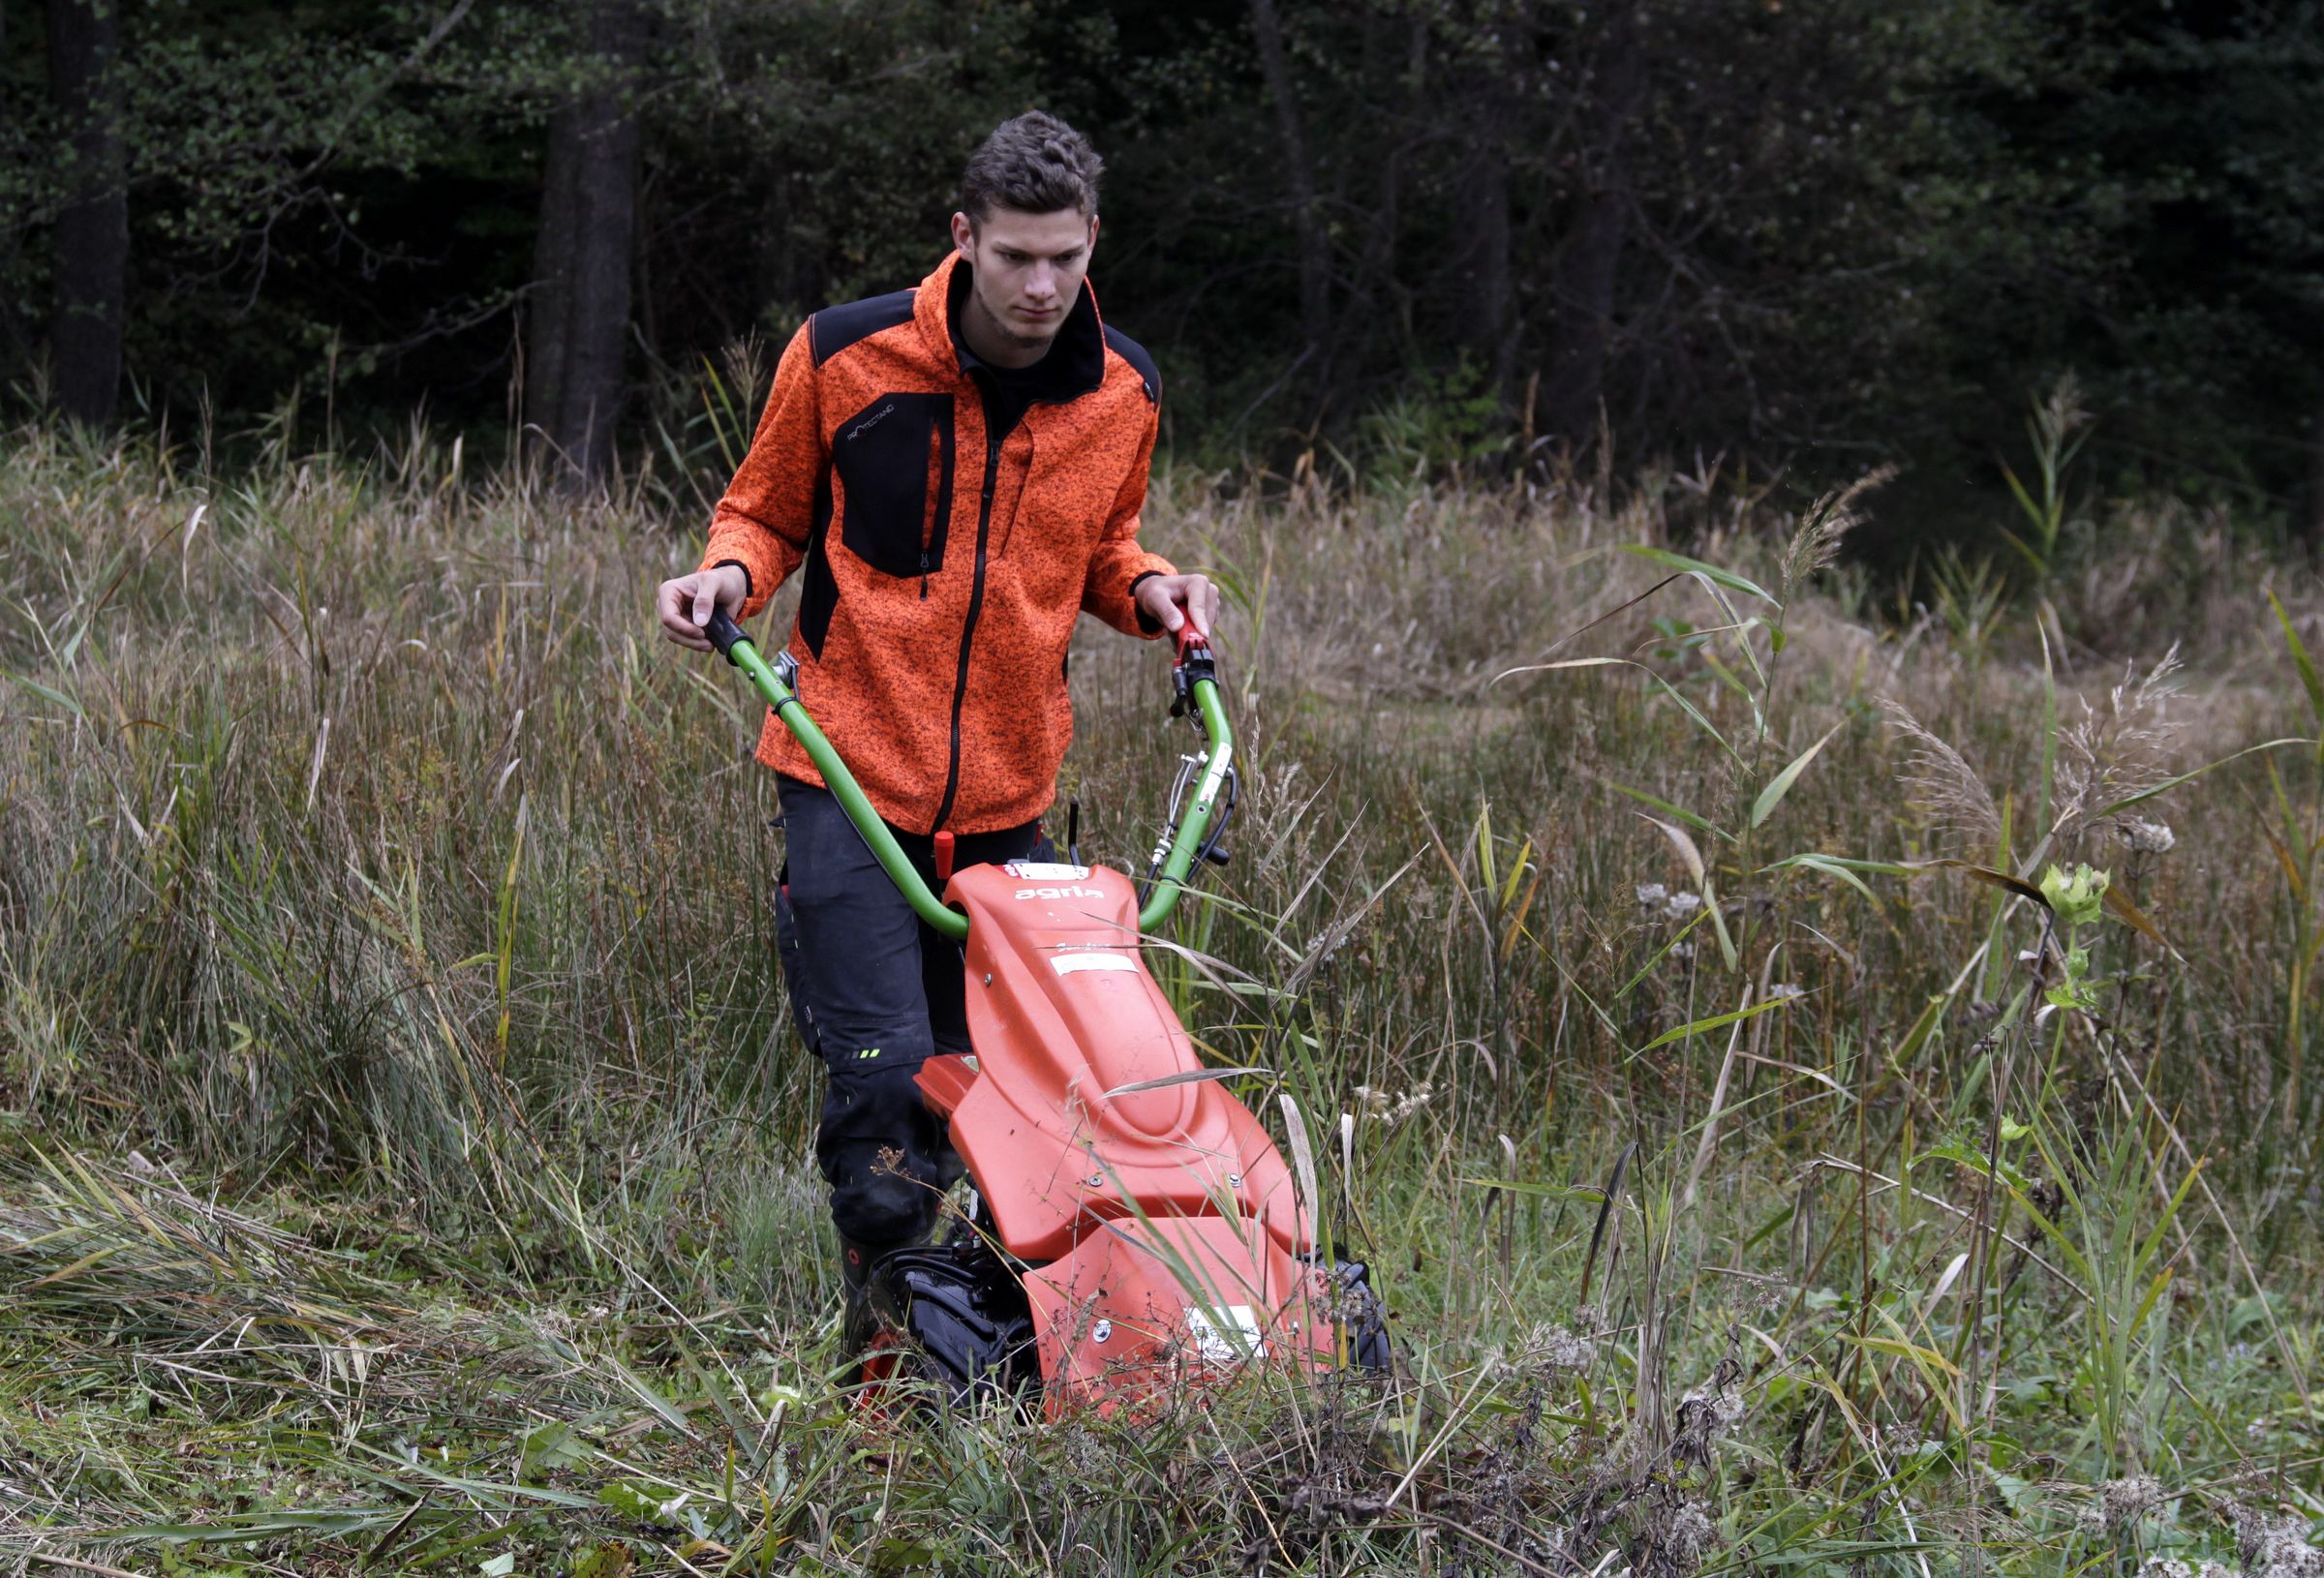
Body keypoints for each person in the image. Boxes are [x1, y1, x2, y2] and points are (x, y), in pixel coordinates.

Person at [655, 111, 1217, 1367]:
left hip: (1011, 800)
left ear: (1092, 245)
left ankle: (1001, 1345)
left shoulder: (1122, 389)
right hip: (847, 774)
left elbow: (1108, 549)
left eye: (1065, 258)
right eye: (1016, 255)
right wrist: (725, 578)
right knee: (888, 1078)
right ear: (964, 239)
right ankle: (887, 1369)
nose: (1041, 286)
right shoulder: (847, 355)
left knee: (1011, 1094)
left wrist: (1156, 591)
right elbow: (762, 510)